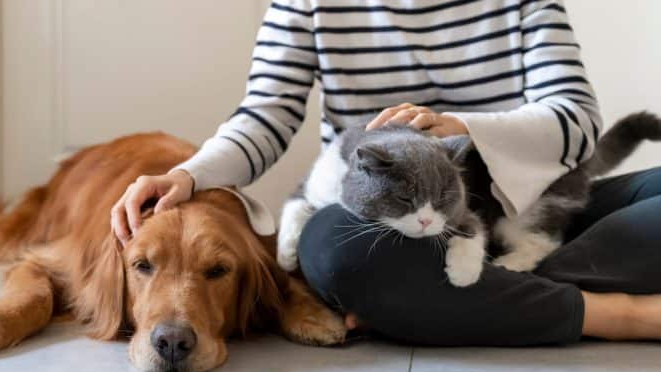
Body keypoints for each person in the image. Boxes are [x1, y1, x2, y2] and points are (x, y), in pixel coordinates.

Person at [111, 1, 661, 345]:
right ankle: (613, 313)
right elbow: (266, 116)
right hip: (378, 227)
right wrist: (191, 175)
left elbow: (576, 119)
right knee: (338, 254)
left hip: (522, 206)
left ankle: (451, 299)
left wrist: (461, 127)